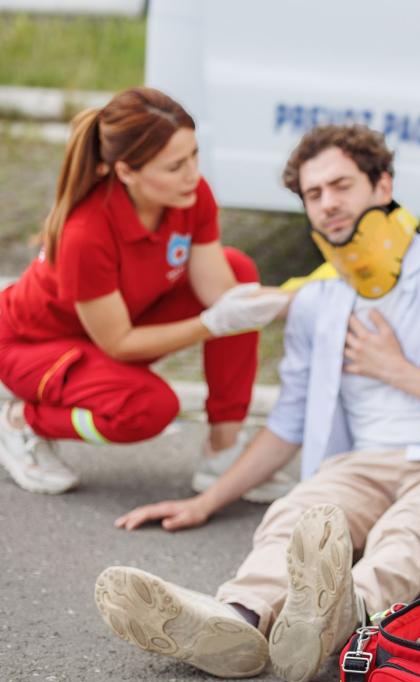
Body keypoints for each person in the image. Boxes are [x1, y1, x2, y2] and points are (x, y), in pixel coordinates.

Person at [94, 124, 420, 681]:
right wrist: (207, 501)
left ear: (383, 185)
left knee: (407, 532)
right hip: (361, 464)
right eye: (313, 194)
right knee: (297, 517)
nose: (328, 203)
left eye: (341, 185)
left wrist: (396, 370)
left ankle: (346, 614)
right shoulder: (318, 300)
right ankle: (235, 620)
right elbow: (289, 422)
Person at [0, 87, 290, 498]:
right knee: (147, 409)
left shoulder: (191, 195)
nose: (192, 174)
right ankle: (22, 420)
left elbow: (222, 295)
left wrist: (309, 299)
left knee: (239, 272)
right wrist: (210, 324)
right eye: (175, 166)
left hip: (117, 323)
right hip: (34, 346)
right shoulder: (85, 233)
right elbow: (119, 343)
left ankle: (223, 452)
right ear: (126, 172)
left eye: (194, 156)